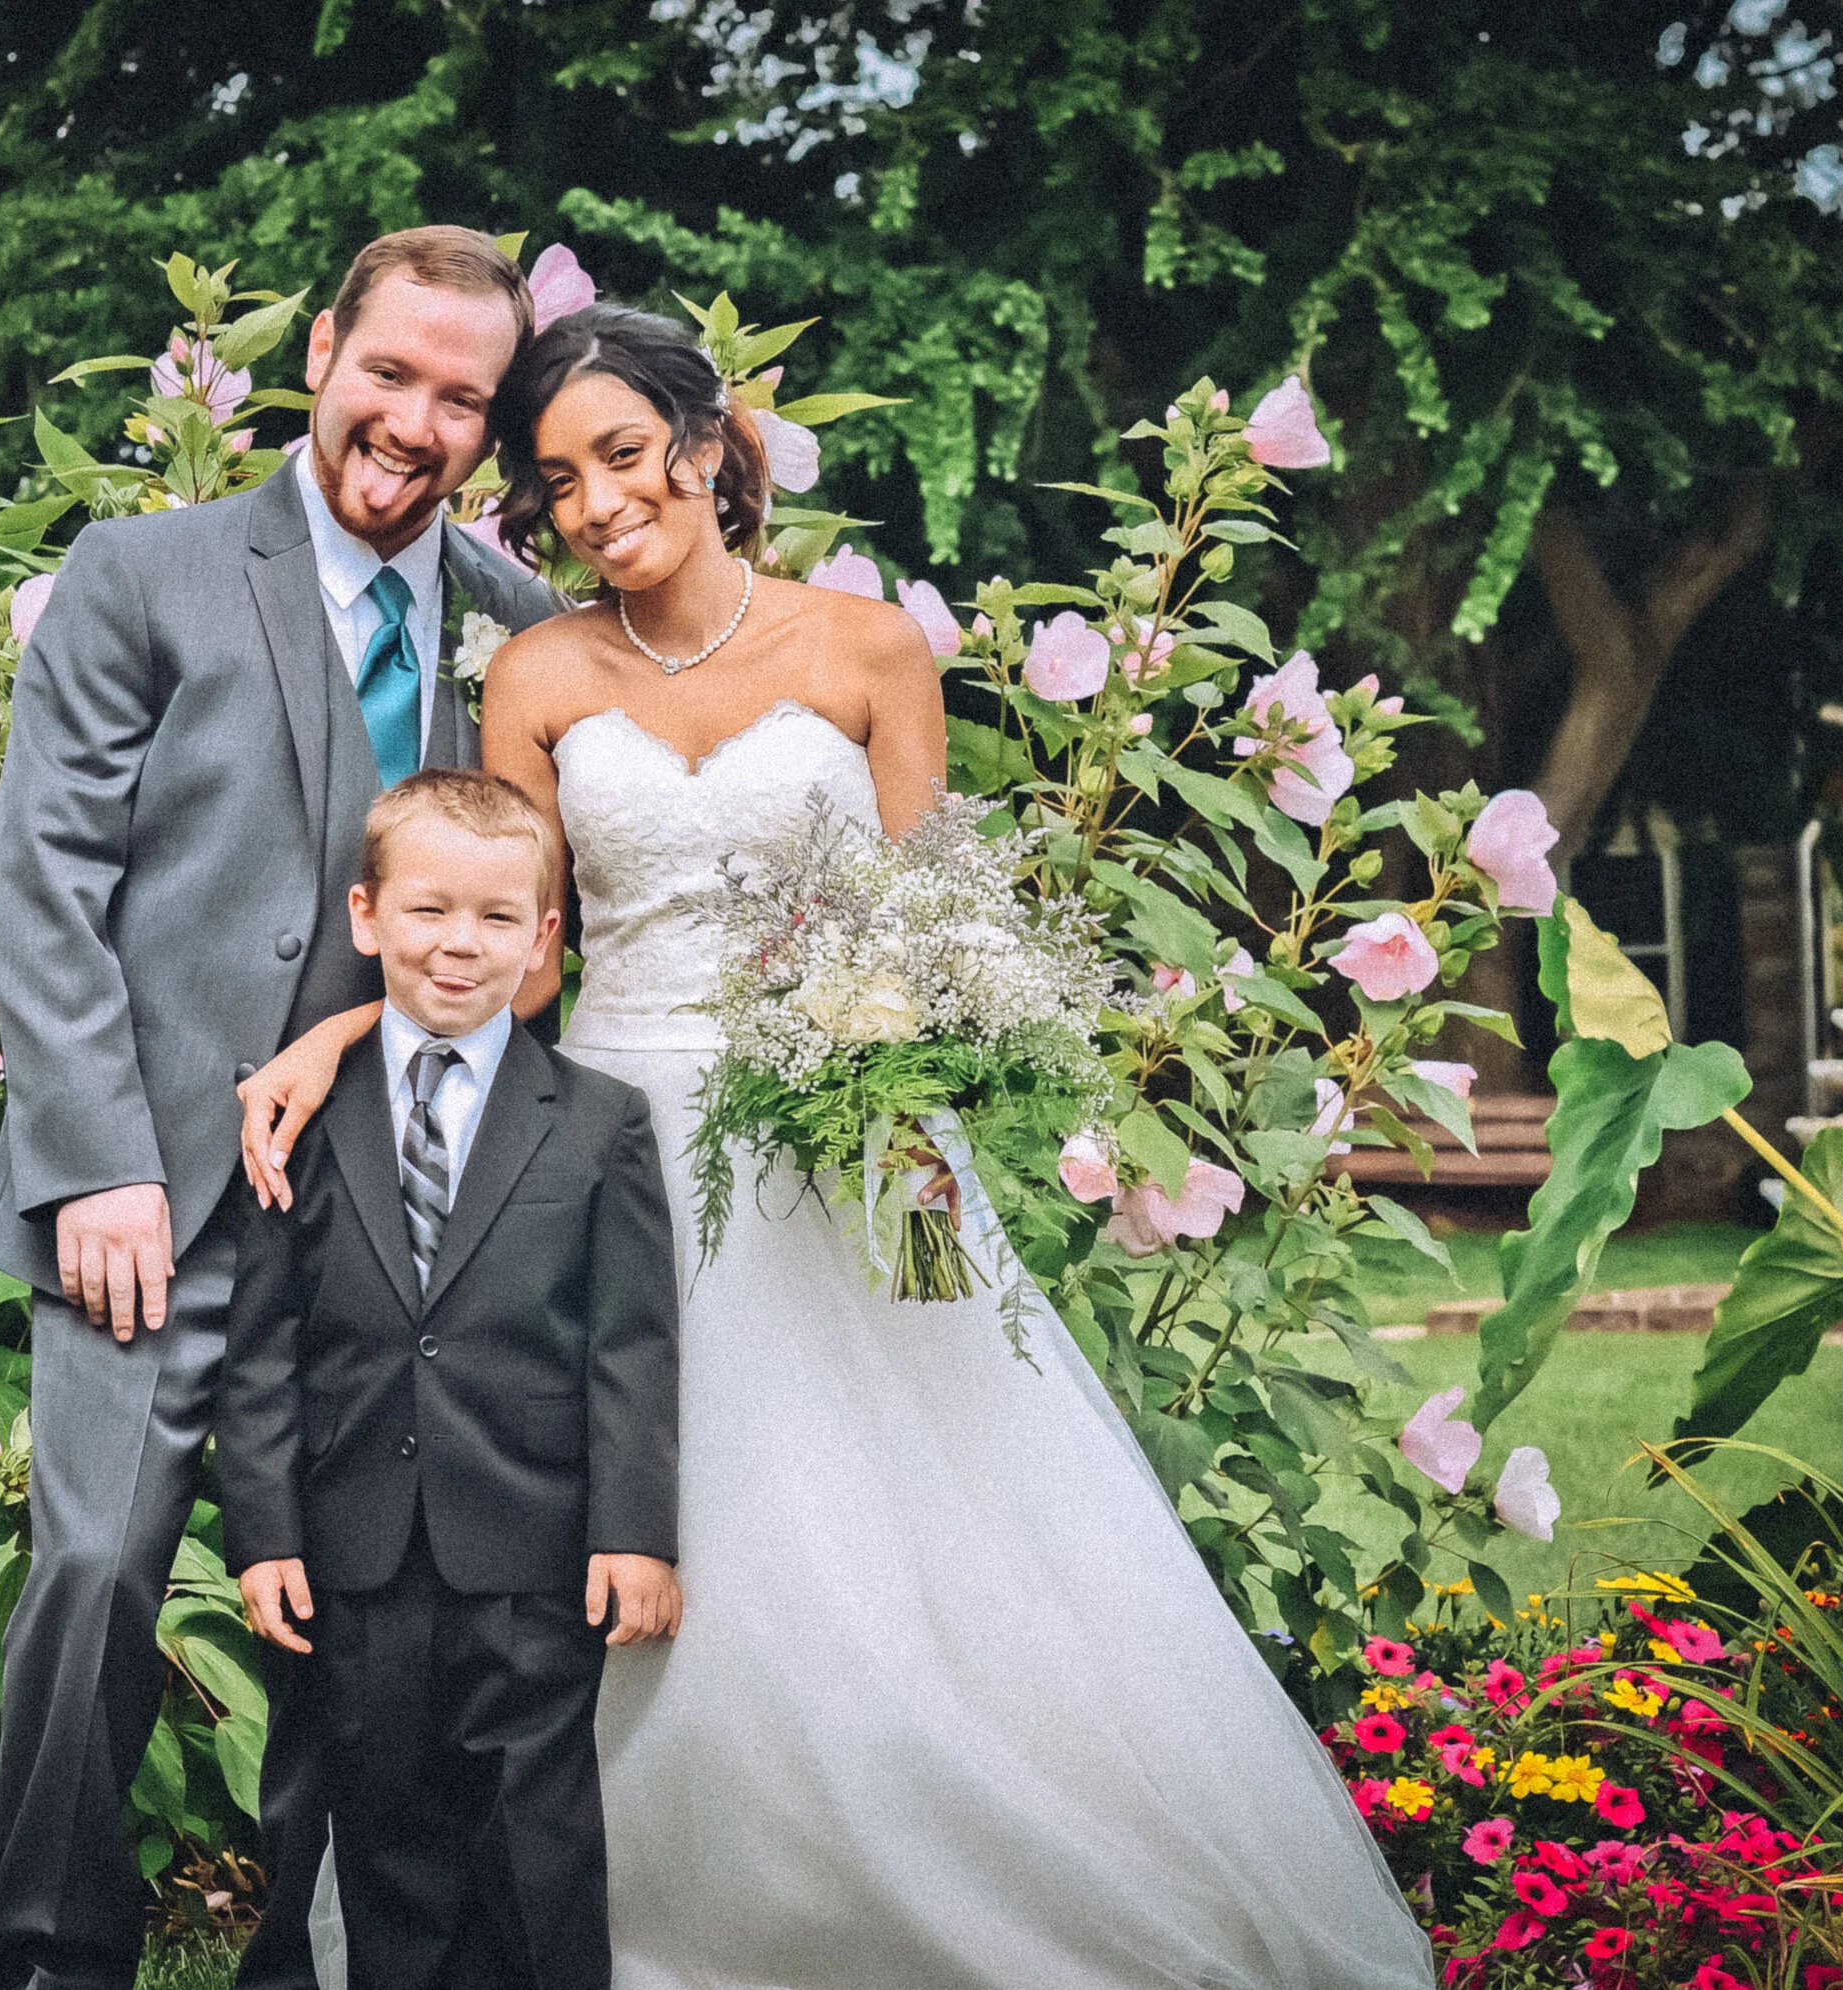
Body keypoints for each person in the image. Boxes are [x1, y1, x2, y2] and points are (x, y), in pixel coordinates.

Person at [242, 303, 1437, 1989]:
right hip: (605, 1140)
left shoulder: (867, 650)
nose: (594, 505)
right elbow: (508, 937)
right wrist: (347, 1030)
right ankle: (635, 1915)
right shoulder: (537, 674)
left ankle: (937, 1887)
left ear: (711, 449)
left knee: (932, 1519)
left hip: (856, 1135)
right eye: (558, 479)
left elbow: (933, 918)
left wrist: (906, 1082)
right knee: (620, 1498)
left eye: (625, 457)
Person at [0, 227, 564, 1990]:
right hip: (150, 1200)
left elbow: (545, 926)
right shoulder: (140, 576)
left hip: (406, 1232)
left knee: (369, 1632)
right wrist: (94, 1168)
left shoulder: (517, 632)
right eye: (392, 372)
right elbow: (47, 876)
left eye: (463, 399)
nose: (416, 421)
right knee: (92, 1581)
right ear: (323, 350)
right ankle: (47, 1959)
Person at [221, 769, 681, 1990]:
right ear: (366, 916)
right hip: (355, 1545)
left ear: (542, 939)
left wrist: (634, 1530)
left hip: (531, 1544)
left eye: (493, 919)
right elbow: (262, 1340)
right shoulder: (300, 1115)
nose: (458, 945)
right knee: (389, 1833)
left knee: (534, 1837)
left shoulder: (597, 1122)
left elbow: (630, 1343)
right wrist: (264, 1527)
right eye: (428, 912)